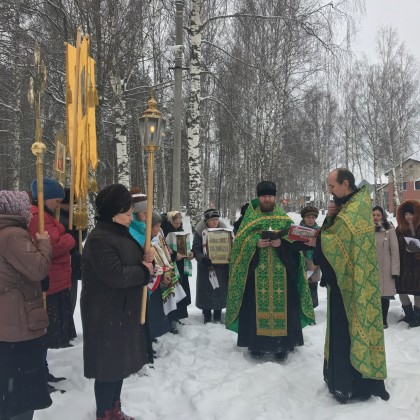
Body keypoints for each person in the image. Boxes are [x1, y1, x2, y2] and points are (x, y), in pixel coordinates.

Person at [313, 168, 389, 404]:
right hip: (343, 282)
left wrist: (321, 232)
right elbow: (335, 234)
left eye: (332, 186)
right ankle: (339, 378)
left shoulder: (356, 208)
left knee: (348, 330)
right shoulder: (350, 205)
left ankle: (352, 384)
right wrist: (330, 218)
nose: (330, 191)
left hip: (353, 283)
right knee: (341, 329)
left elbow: (335, 239)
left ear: (346, 184)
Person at [81, 184, 154, 420]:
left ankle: (114, 409)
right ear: (113, 212)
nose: (131, 217)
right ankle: (105, 414)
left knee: (118, 366)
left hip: (120, 312)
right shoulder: (99, 239)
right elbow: (116, 275)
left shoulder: (118, 233)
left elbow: (130, 262)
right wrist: (143, 271)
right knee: (108, 369)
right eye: (127, 212)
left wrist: (146, 258)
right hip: (105, 314)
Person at [226, 181, 315, 361]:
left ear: (275, 197)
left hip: (282, 274)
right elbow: (238, 246)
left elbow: (295, 243)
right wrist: (254, 243)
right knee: (255, 309)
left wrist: (281, 243)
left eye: (270, 196)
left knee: (285, 308)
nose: (267, 199)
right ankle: (257, 345)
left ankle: (283, 345)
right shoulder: (249, 219)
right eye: (264, 196)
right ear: (259, 197)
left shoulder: (284, 219)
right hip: (256, 275)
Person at [0, 190, 52, 420]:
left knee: (10, 387)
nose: (30, 215)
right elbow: (37, 269)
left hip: (9, 318)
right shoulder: (13, 236)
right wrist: (44, 244)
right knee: (22, 391)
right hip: (18, 322)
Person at [29, 178, 76, 388]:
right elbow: (54, 245)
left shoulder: (45, 216)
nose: (58, 205)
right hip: (50, 281)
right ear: (44, 198)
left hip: (55, 279)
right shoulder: (38, 218)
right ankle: (38, 374)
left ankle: (42, 371)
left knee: (46, 333)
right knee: (43, 334)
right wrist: (70, 238)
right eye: (56, 201)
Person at [193, 209, 230, 323]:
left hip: (221, 267)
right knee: (206, 292)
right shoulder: (200, 232)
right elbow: (196, 249)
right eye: (212, 220)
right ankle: (207, 316)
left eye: (216, 220)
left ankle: (218, 316)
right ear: (206, 221)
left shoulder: (224, 231)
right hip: (206, 267)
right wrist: (203, 259)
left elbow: (230, 246)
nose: (215, 222)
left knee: (219, 290)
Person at [161, 211, 194, 327]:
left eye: (179, 224)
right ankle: (171, 319)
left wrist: (189, 254)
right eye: (175, 223)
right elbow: (163, 249)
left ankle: (178, 316)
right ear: (170, 221)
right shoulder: (163, 230)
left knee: (181, 290)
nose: (177, 226)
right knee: (173, 291)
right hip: (170, 265)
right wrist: (175, 255)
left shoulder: (180, 229)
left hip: (181, 264)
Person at [59, 188, 87, 316]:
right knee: (67, 301)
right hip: (66, 265)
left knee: (70, 300)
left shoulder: (70, 217)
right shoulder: (60, 219)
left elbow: (78, 238)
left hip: (72, 266)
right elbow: (70, 243)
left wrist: (82, 228)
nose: (72, 207)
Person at [372, 205, 399, 328]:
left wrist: (395, 270)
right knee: (372, 295)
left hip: (385, 269)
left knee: (384, 296)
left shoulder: (389, 229)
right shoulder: (365, 229)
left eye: (378, 215)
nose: (376, 217)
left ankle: (383, 320)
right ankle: (373, 319)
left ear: (382, 216)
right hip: (370, 268)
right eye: (373, 215)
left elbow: (394, 251)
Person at [395, 200, 420, 328]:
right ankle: (408, 314)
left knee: (417, 293)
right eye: (406, 214)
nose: (408, 217)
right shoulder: (399, 229)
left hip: (417, 267)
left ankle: (417, 317)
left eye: (411, 214)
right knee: (402, 291)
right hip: (403, 266)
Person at [300, 206, 321, 309]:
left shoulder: (319, 231)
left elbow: (323, 249)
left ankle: (312, 312)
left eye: (313, 217)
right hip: (302, 263)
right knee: (302, 289)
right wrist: (305, 262)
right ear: (304, 218)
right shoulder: (298, 230)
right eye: (308, 217)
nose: (310, 220)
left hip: (315, 264)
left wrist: (315, 264)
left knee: (312, 289)